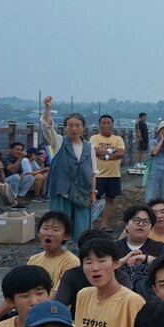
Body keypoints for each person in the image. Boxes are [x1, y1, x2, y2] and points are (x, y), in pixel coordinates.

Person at [39, 97, 96, 244]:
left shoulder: (89, 147)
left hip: (82, 192)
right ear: (65, 127)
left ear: (83, 128)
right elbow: (47, 127)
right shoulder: (58, 142)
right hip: (62, 191)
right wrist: (47, 109)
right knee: (58, 226)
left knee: (82, 229)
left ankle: (79, 258)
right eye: (70, 125)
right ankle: (58, 255)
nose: (74, 129)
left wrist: (93, 193)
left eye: (78, 125)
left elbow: (93, 173)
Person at [88, 114, 126, 231]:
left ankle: (104, 225)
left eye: (108, 123)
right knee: (93, 200)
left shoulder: (118, 139)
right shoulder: (95, 138)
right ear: (100, 125)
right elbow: (94, 150)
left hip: (114, 174)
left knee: (110, 200)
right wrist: (111, 151)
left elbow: (120, 153)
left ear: (112, 125)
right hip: (98, 175)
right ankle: (89, 223)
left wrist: (106, 156)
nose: (106, 125)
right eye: (103, 123)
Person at [29, 211, 80, 292]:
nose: (49, 233)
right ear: (38, 232)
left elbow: (60, 294)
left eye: (55, 230)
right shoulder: (33, 260)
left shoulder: (71, 262)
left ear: (66, 236)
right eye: (45, 228)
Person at [144, 120, 164, 202]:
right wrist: (161, 140)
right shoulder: (153, 142)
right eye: (163, 129)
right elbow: (154, 152)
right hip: (154, 172)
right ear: (159, 131)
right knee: (150, 198)